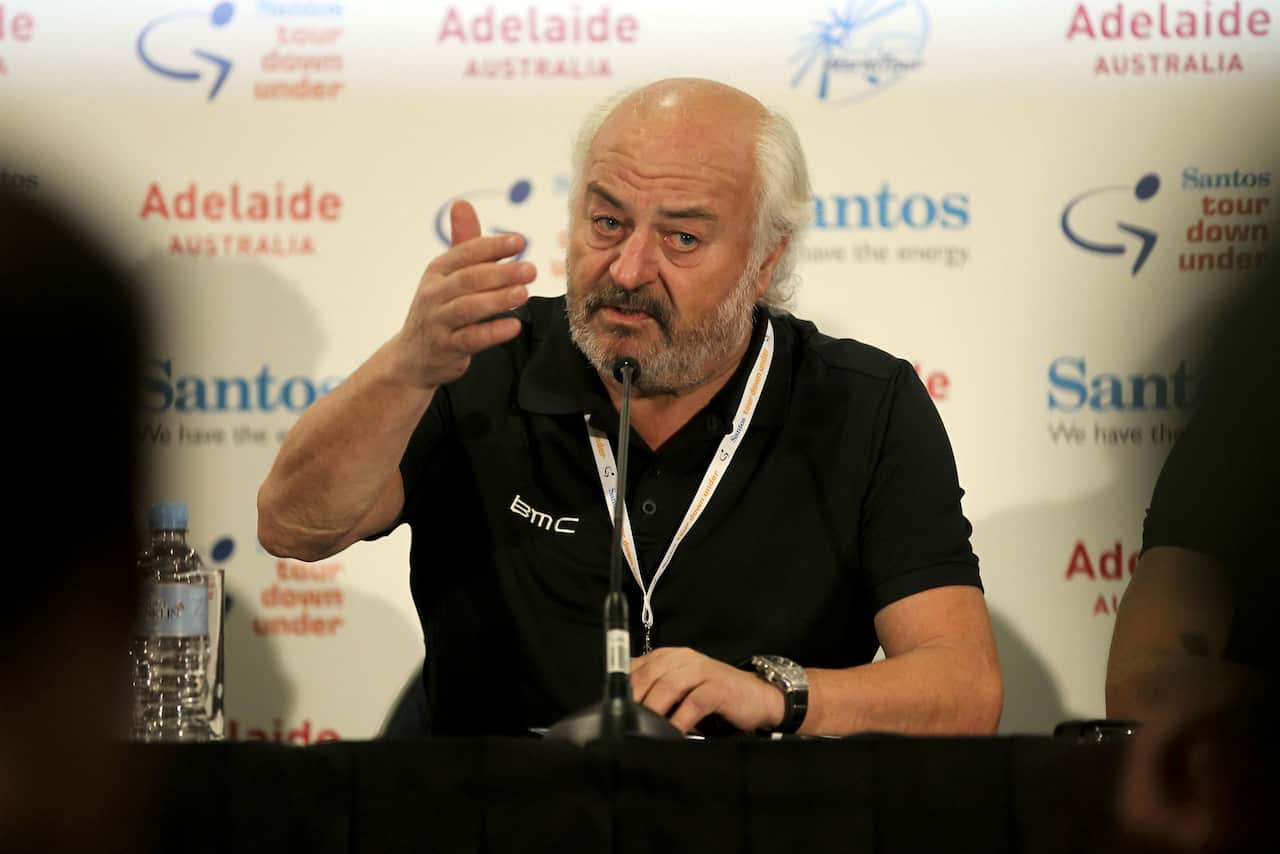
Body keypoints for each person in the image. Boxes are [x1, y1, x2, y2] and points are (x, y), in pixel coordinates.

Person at [258, 78, 1002, 737]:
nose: (629, 268)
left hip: (757, 817)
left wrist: (775, 695)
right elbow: (292, 527)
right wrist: (407, 367)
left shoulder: (862, 404)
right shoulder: (477, 362)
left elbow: (964, 688)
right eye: (608, 223)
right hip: (495, 812)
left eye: (682, 237)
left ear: (766, 258)